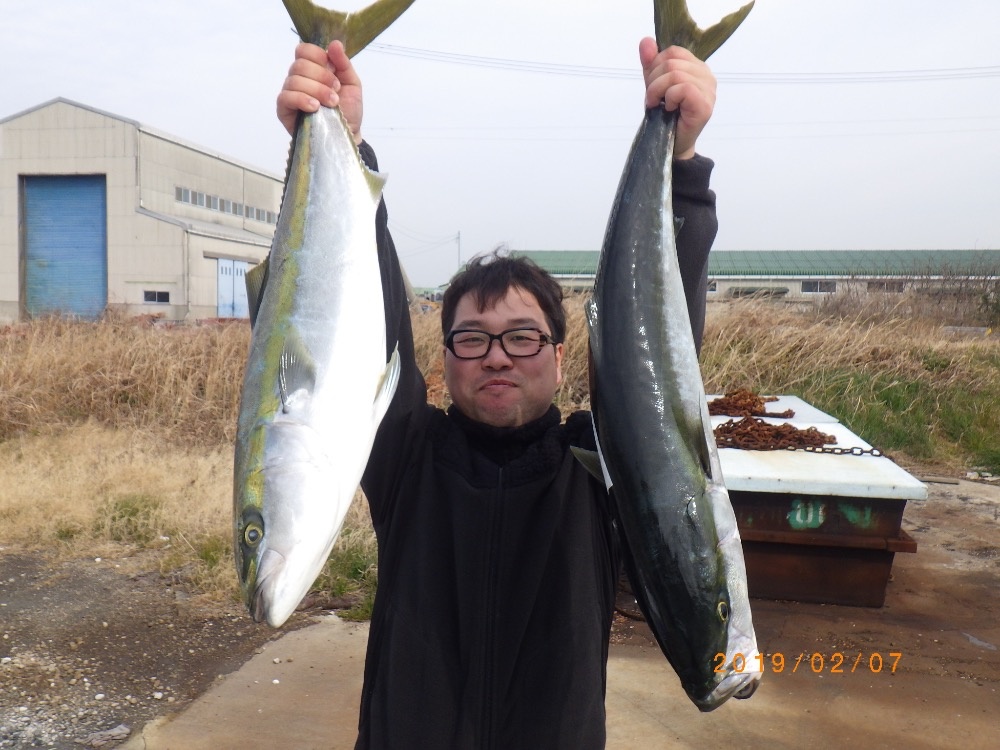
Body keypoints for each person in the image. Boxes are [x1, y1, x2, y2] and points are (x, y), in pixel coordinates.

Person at [276, 37, 719, 750]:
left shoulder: (600, 467)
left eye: (522, 337)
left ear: (560, 356)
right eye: (472, 338)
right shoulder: (406, 454)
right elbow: (366, 318)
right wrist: (345, 149)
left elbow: (660, 357)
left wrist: (682, 166)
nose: (497, 356)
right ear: (445, 358)